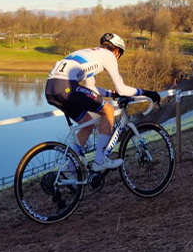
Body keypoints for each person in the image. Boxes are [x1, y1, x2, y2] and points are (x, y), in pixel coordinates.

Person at [44, 32, 161, 171]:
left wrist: (111, 93)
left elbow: (90, 88)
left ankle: (69, 170)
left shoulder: (89, 54)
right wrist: (147, 93)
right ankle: (100, 160)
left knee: (86, 125)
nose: (117, 58)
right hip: (66, 86)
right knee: (108, 111)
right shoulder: (109, 55)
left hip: (51, 88)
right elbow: (122, 89)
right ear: (117, 50)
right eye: (120, 55)